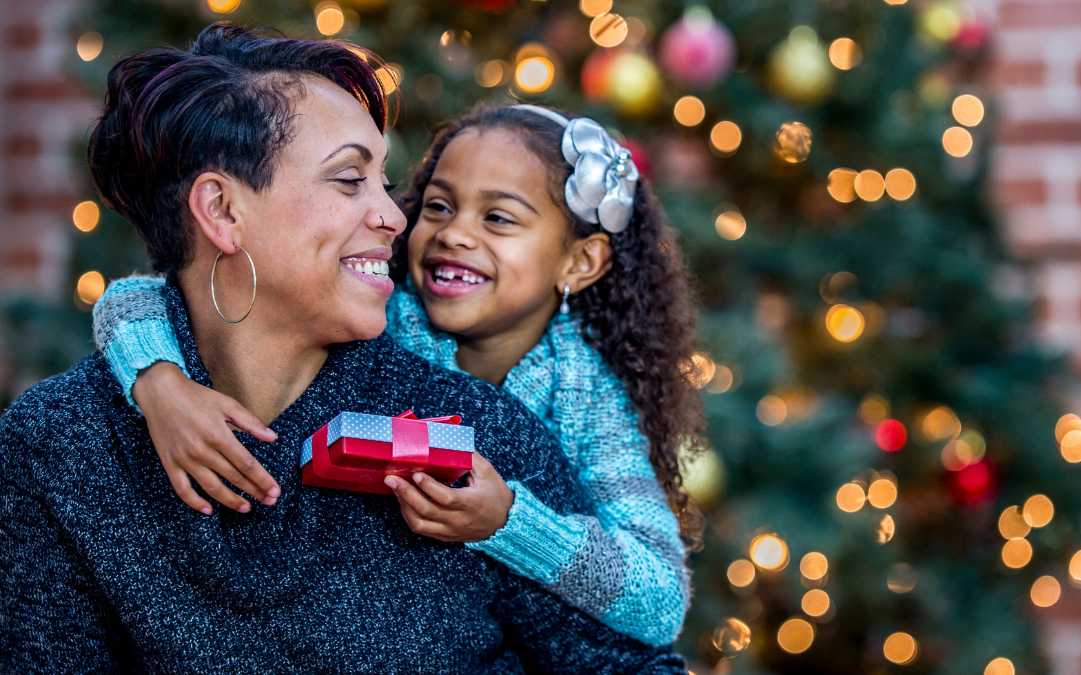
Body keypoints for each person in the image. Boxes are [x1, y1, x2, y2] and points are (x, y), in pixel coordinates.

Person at [0, 23, 684, 672]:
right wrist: (156, 380)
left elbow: (639, 651)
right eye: (349, 178)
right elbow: (135, 297)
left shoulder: (479, 443)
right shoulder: (62, 443)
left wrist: (511, 521)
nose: (395, 215)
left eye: (385, 181)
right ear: (223, 211)